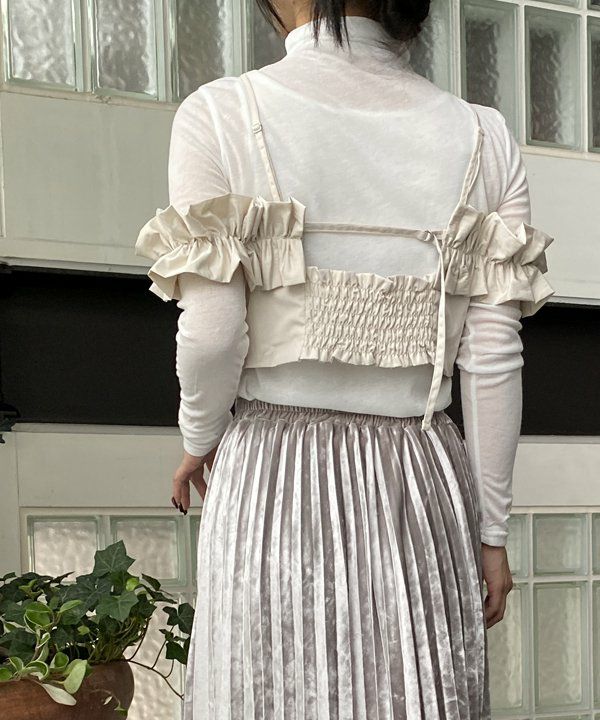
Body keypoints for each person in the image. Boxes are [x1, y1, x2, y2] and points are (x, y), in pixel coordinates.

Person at [135, 2, 555, 717]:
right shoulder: (485, 137)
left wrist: (199, 437)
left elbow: (212, 331)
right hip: (420, 475)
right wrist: (491, 535)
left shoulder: (221, 112)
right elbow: (492, 359)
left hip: (272, 474)